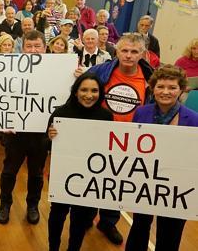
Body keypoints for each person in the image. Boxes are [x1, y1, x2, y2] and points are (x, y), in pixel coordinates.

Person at [87, 33, 154, 245]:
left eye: (134, 52)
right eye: (124, 50)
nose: (128, 55)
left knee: (117, 183)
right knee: (92, 177)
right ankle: (87, 214)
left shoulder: (150, 78)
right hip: (100, 134)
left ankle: (108, 221)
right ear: (117, 51)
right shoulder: (99, 71)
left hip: (132, 139)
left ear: (142, 54)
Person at [125, 65, 198, 251]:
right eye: (160, 86)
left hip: (177, 188)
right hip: (145, 182)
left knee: (170, 233)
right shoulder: (141, 113)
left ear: (181, 89)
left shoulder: (194, 119)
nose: (165, 92)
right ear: (153, 88)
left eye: (172, 87)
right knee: (139, 226)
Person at [47, 72, 113, 251]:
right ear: (75, 92)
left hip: (89, 175)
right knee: (58, 213)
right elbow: (47, 144)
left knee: (80, 216)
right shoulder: (61, 113)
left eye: (94, 90)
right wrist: (50, 136)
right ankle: (53, 247)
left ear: (100, 93)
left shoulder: (106, 117)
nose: (89, 95)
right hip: (63, 173)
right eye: (84, 90)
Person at [0, 30, 50, 226]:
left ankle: (33, 205)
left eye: (38, 46)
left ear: (45, 48)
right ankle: (4, 203)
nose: (33, 50)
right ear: (23, 48)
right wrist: (1, 120)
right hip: (15, 131)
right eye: (29, 46)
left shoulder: (58, 70)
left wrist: (76, 76)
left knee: (36, 173)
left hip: (41, 134)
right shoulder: (10, 68)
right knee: (9, 171)